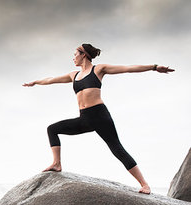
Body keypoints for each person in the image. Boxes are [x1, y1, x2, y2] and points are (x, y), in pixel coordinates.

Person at [23, 43, 174, 194]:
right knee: (52, 129)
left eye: (75, 54)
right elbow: (51, 79)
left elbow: (128, 68)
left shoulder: (99, 69)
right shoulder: (73, 75)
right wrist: (35, 82)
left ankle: (144, 184)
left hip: (100, 116)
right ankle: (57, 163)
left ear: (83, 54)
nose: (73, 57)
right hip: (84, 118)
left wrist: (154, 67)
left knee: (117, 149)